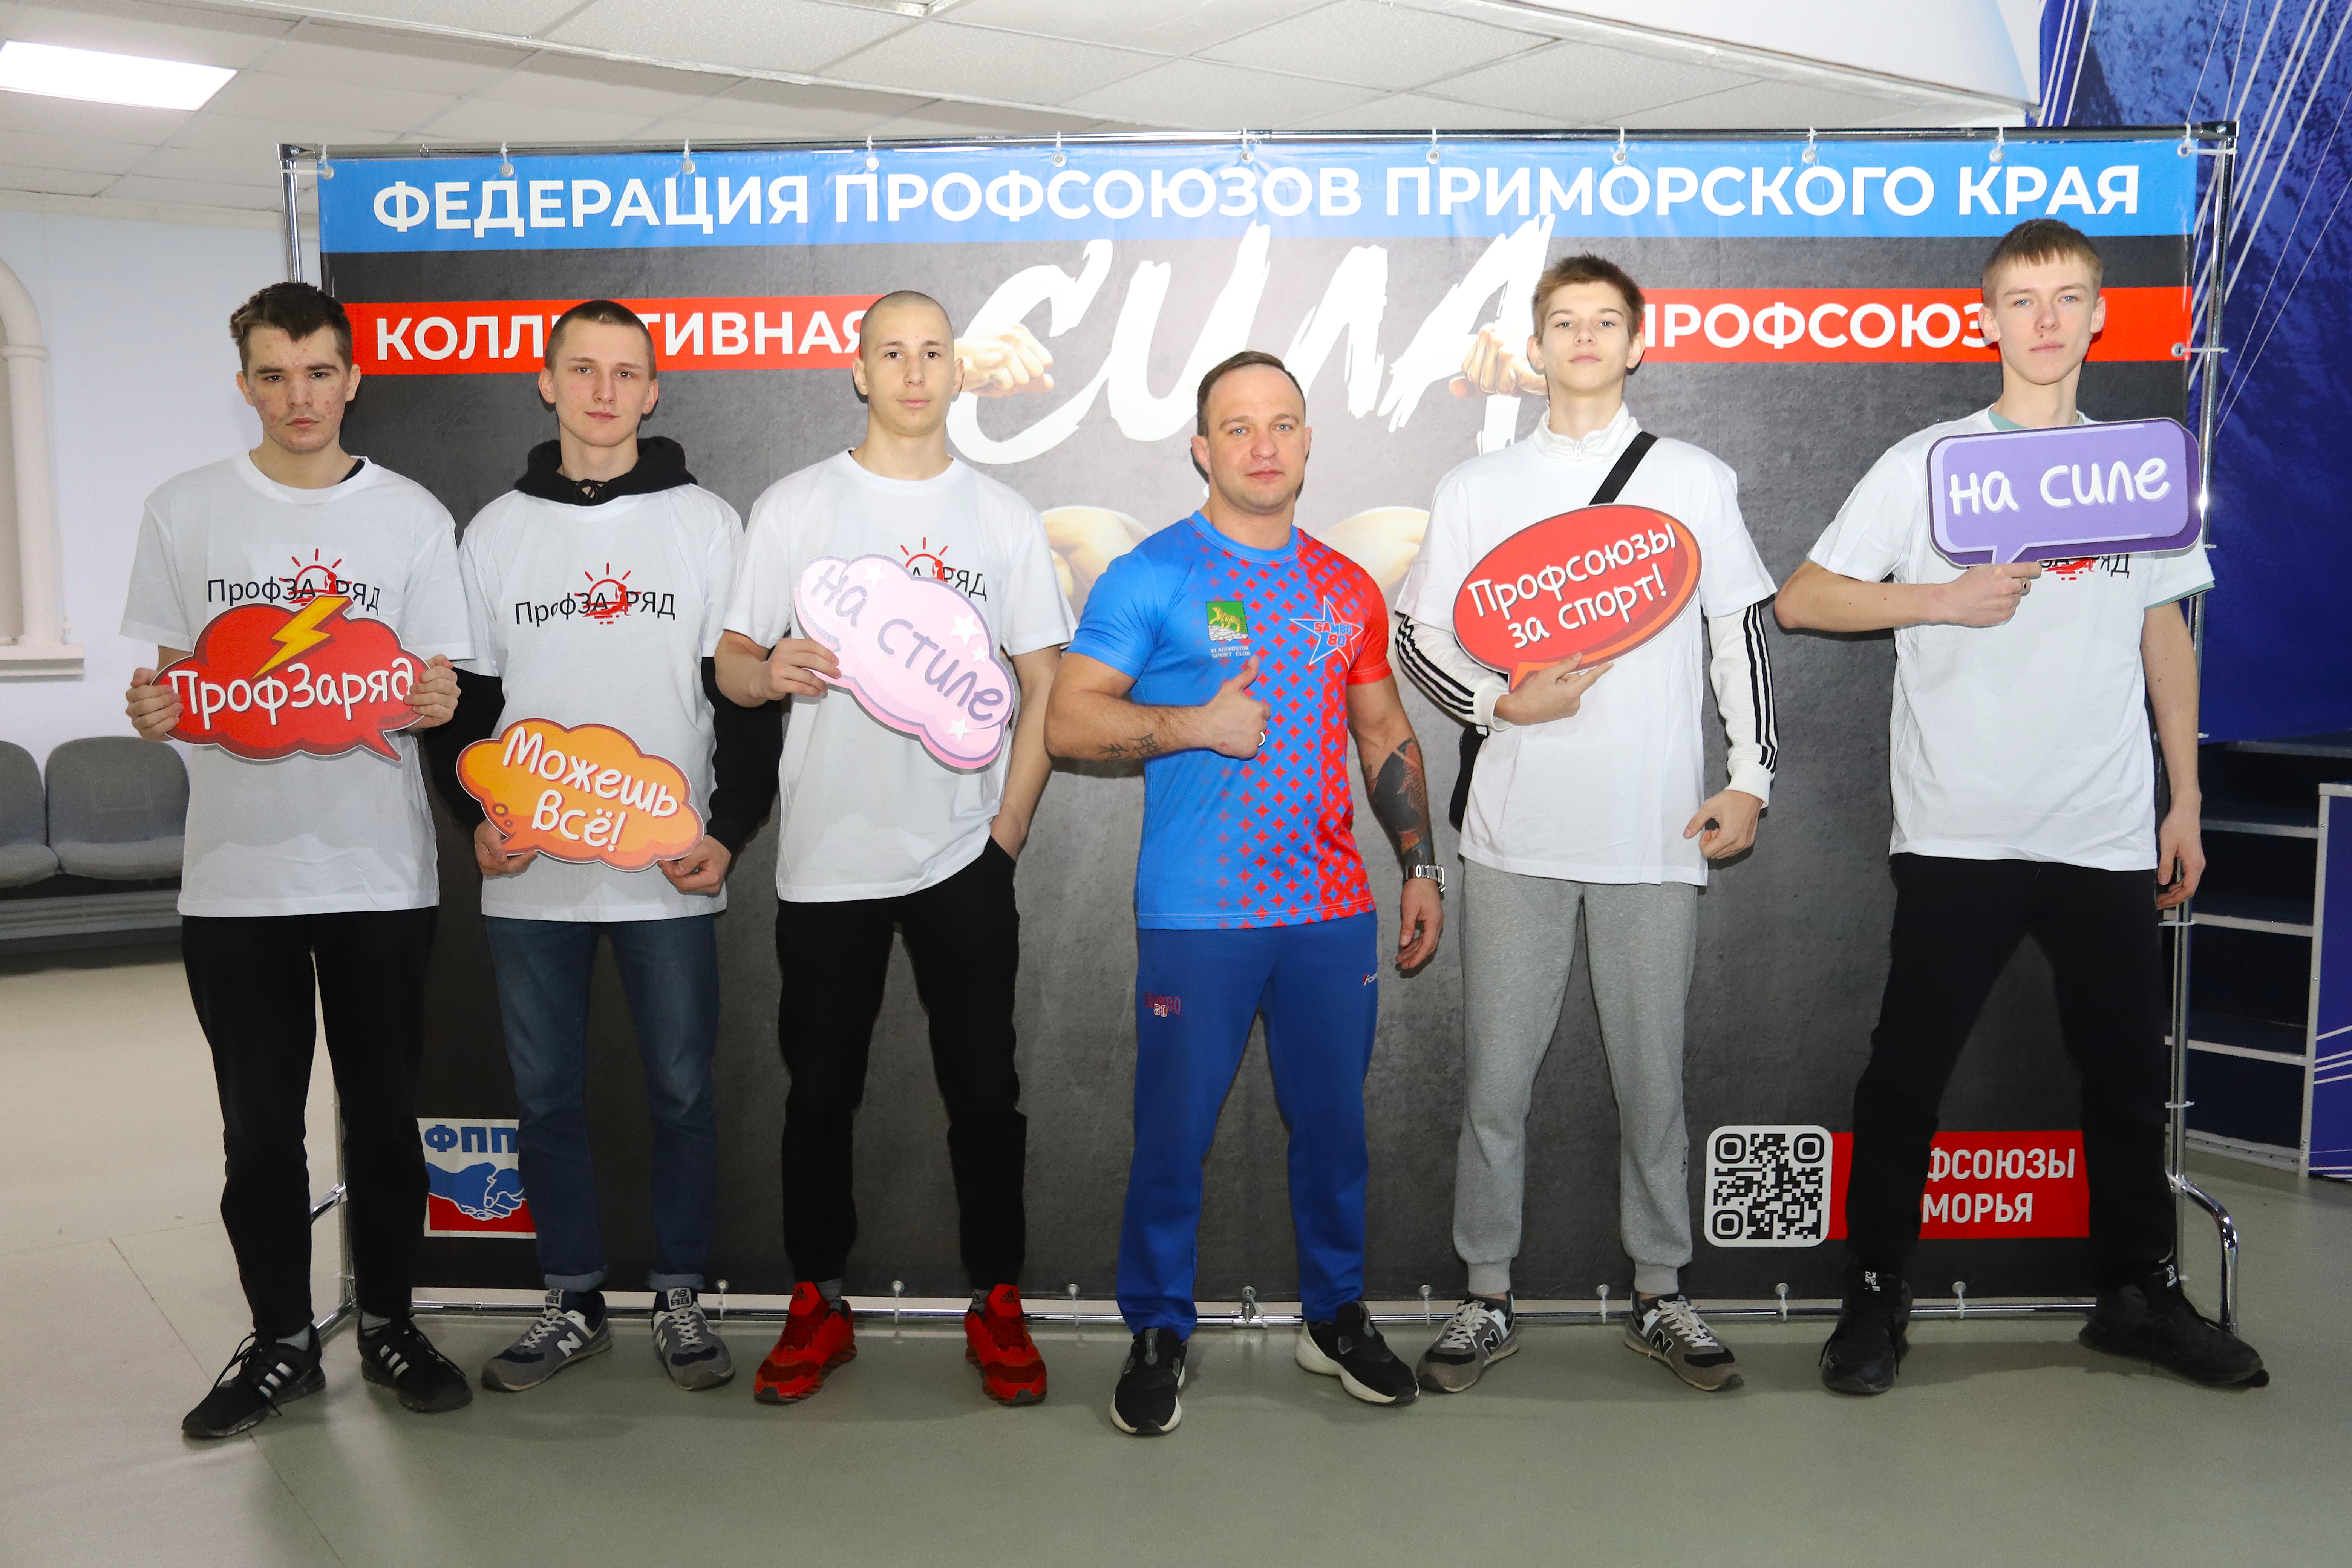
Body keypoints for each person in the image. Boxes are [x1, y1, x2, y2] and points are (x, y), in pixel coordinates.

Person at [1776, 218, 2265, 1393]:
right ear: (1986, 319)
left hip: (2105, 827)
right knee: (1907, 1075)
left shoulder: (2139, 468)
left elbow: (2164, 633)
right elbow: (1803, 599)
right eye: (2022, 300)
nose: (2046, 321)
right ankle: (1874, 1300)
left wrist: (2186, 797)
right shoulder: (1927, 463)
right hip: (1962, 827)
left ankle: (2139, 1297)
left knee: (2127, 1082)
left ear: (2100, 317)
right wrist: (1936, 601)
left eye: (2068, 298)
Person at [1395, 252, 1780, 1396]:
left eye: (1605, 322)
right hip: (1513, 834)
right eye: (1563, 322)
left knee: (1655, 1084)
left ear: (1637, 343)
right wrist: (1497, 704)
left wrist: (1752, 776)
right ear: (1535, 345)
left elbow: (1739, 630)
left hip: (1654, 834)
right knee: (1495, 1085)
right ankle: (1485, 1294)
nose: (1583, 339)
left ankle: (1662, 1294)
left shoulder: (1695, 478)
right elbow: (1420, 634)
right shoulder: (1479, 488)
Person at [1046, 349, 1446, 1437]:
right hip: (1199, 913)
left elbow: (1382, 730)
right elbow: (1068, 720)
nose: (1263, 446)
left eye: (1282, 424)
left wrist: (1420, 864)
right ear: (1202, 447)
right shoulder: (1153, 573)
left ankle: (1335, 1318)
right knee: (1173, 1140)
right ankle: (1158, 1329)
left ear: (1308, 442)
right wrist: (1194, 726)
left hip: (1329, 910)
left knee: (1336, 1134)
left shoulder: (1346, 586)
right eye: (1238, 427)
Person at [122, 280, 474, 1436]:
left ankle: (390, 1325)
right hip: (237, 882)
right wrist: (156, 707)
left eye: (319, 371)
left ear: (353, 378)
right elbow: (176, 680)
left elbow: (439, 681)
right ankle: (281, 1341)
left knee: (384, 1120)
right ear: (245, 386)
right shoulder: (184, 510)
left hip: (380, 876)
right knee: (259, 1132)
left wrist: (437, 699)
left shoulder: (412, 516)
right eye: (273, 375)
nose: (299, 396)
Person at [715, 291, 1070, 1408]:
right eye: (892, 353)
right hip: (827, 860)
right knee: (820, 1095)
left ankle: (997, 1304)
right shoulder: (795, 505)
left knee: (986, 1093)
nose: (914, 373)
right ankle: (818, 1304)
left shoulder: (1002, 516)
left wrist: (1009, 828)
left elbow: (1046, 682)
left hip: (964, 855)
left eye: (933, 354)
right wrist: (763, 671)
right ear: (859, 372)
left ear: (959, 373)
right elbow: (729, 659)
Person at [423, 299, 779, 1395]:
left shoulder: (707, 525)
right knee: (546, 1102)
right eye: (583, 369)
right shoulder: (494, 532)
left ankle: (679, 1293)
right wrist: (474, 824)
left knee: (681, 1095)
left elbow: (744, 696)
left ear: (654, 390)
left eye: (626, 372)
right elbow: (464, 704)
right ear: (547, 382)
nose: (604, 391)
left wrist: (729, 833)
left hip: (667, 870)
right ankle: (571, 1298)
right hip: (534, 877)